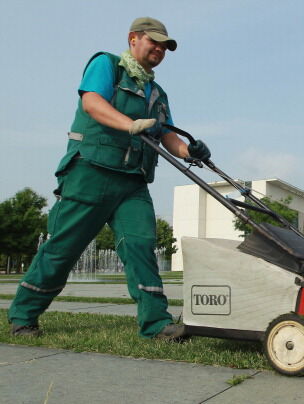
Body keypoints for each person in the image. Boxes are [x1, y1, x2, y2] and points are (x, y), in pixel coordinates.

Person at [8, 17, 210, 340]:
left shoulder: (157, 93)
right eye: (153, 41)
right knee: (64, 247)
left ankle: (156, 323)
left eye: (165, 46)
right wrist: (129, 124)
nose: (159, 49)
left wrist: (191, 151)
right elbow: (92, 102)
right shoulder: (108, 66)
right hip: (91, 172)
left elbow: (167, 135)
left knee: (142, 246)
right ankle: (23, 315)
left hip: (132, 182)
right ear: (134, 39)